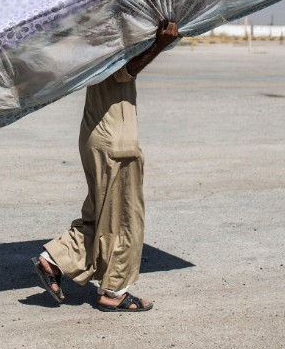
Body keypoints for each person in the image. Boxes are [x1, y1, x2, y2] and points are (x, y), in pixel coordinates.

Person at [32, 20, 180, 312]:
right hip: (115, 142)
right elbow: (125, 71)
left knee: (101, 214)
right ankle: (114, 291)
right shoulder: (109, 41)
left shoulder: (93, 40)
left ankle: (55, 259)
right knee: (124, 219)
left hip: (96, 136)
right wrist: (160, 45)